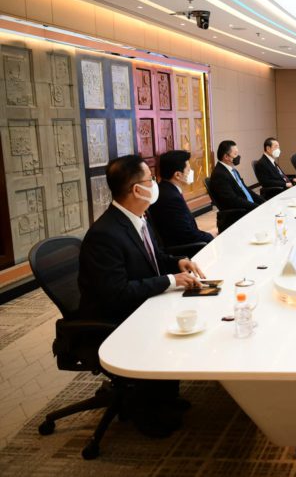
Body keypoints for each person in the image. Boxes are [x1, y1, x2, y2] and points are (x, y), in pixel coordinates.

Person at [78, 155, 205, 437]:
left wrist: (177, 262)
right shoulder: (105, 235)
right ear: (137, 189)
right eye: (150, 180)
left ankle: (165, 396)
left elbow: (153, 257)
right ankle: (149, 410)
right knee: (173, 320)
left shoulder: (138, 217)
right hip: (113, 318)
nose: (155, 184)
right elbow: (117, 294)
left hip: (138, 303)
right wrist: (171, 280)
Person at [148, 150, 214, 247]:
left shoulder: (166, 189)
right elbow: (187, 235)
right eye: (188, 170)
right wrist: (210, 237)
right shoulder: (171, 198)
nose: (191, 172)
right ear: (177, 175)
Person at [209, 140, 264, 212]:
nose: (238, 156)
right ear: (226, 156)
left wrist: (263, 202)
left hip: (247, 206)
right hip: (239, 212)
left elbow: (245, 190)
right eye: (235, 154)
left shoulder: (233, 170)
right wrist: (256, 207)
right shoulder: (219, 174)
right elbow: (233, 200)